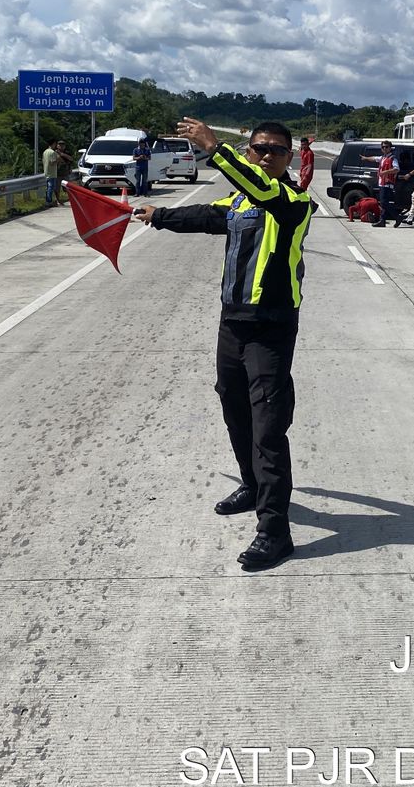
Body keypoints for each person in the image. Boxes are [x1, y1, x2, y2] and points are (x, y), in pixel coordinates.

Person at [134, 118, 312, 572]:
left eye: (276, 150)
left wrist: (215, 150)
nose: (266, 155)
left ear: (289, 158)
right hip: (232, 323)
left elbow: (264, 192)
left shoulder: (292, 201)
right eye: (259, 149)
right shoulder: (240, 202)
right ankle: (252, 485)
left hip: (271, 327)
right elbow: (210, 217)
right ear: (250, 151)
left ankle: (275, 532)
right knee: (233, 406)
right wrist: (158, 217)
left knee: (268, 428)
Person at [373, 140, 400, 226]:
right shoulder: (383, 158)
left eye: (386, 147)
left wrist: (385, 172)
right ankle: (382, 221)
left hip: (387, 184)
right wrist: (365, 158)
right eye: (383, 147)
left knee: (384, 203)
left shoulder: (392, 158)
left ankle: (397, 217)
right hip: (382, 183)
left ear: (390, 148)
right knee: (383, 203)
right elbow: (374, 158)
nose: (384, 148)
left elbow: (396, 169)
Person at [42, 140, 60, 206]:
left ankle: (48, 200)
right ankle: (49, 201)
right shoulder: (52, 152)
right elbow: (52, 162)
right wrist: (58, 159)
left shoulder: (45, 152)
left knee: (49, 187)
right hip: (52, 172)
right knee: (51, 187)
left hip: (46, 171)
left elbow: (43, 161)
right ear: (53, 144)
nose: (55, 146)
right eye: (55, 144)